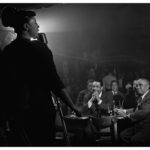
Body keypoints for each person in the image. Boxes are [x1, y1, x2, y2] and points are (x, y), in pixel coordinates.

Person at [1, 7, 80, 146]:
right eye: (35, 23)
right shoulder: (39, 48)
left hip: (18, 114)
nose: (38, 26)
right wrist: (73, 106)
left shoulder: (8, 51)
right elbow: (54, 81)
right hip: (39, 112)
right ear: (26, 26)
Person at [117, 78, 150, 146]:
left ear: (148, 86)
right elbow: (136, 109)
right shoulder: (142, 96)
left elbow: (144, 111)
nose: (137, 87)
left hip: (146, 128)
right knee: (122, 135)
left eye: (140, 85)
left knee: (134, 140)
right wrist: (124, 111)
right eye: (137, 85)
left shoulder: (149, 97)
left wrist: (128, 115)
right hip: (138, 126)